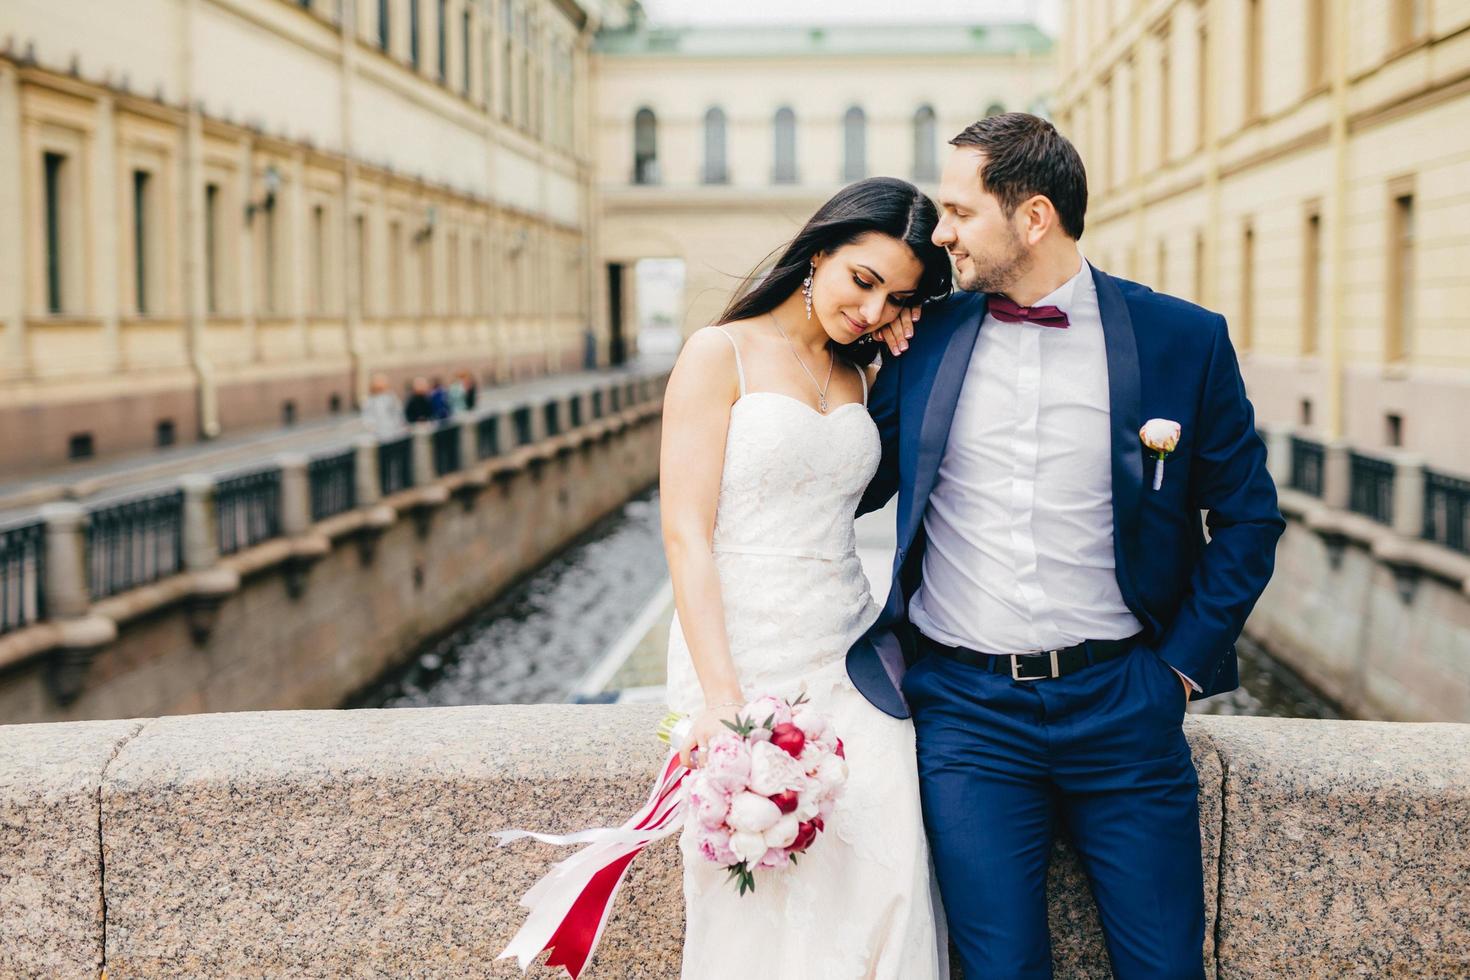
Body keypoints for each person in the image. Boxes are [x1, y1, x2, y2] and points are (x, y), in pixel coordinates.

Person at [853, 113, 1284, 978]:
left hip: (1124, 706)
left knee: (1165, 967)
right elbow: (843, 483)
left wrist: (1177, 672)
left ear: (1035, 216)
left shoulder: (1182, 340)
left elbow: (1247, 518)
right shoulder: (922, 338)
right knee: (998, 969)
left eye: (959, 212)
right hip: (968, 718)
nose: (940, 234)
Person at [663, 176, 951, 979]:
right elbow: (686, 534)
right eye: (862, 281)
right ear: (820, 250)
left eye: (893, 298)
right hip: (743, 652)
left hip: (851, 653)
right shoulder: (718, 354)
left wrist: (910, 349)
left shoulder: (868, 376)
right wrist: (721, 702)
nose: (868, 311)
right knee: (758, 902)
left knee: (888, 865)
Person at [359, 373, 405, 439]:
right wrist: (369, 425)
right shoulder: (370, 400)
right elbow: (366, 414)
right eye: (378, 382)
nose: (380, 385)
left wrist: (398, 424)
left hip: (392, 429)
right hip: (376, 431)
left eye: (382, 382)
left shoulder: (391, 397)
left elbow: (398, 411)